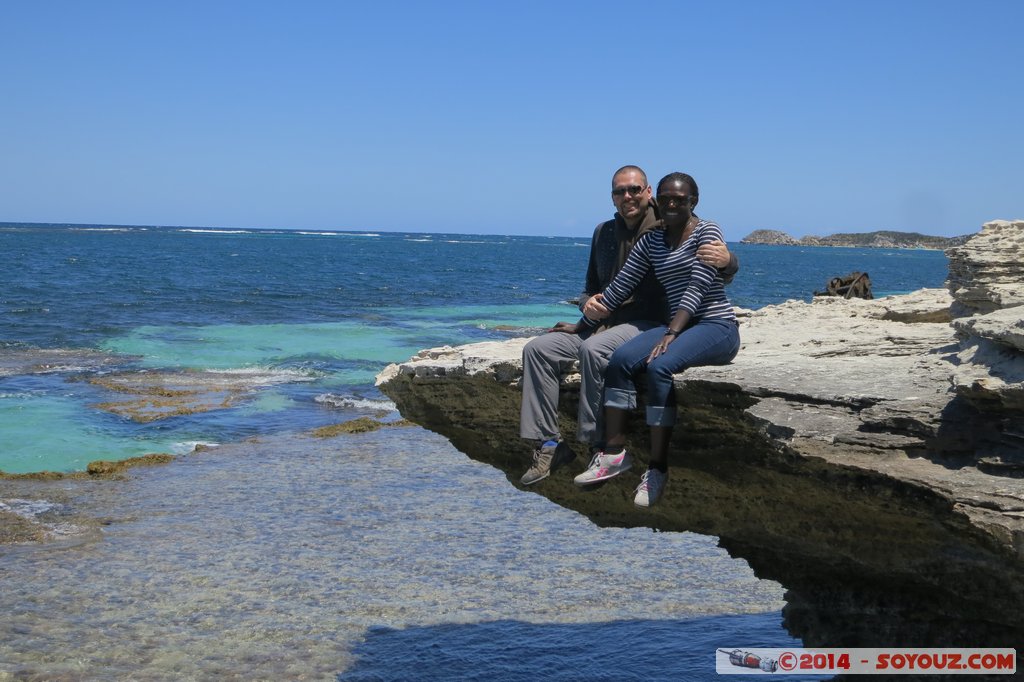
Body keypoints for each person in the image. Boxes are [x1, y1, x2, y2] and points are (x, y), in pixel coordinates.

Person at [518, 166, 738, 485]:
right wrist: (583, 314)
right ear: (612, 197)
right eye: (620, 192)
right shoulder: (607, 233)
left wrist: (730, 261)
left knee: (597, 352)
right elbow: (603, 287)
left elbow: (708, 274)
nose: (628, 197)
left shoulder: (665, 224)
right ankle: (549, 444)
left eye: (635, 190)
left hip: (647, 323)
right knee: (537, 349)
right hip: (605, 321)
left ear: (648, 193)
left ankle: (600, 447)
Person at [571, 172, 741, 507]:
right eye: (666, 199)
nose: (673, 204)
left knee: (659, 367)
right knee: (620, 359)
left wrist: (672, 332)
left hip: (715, 326)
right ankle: (615, 453)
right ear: (656, 200)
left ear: (694, 201)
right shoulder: (652, 240)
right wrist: (584, 322)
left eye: (681, 199)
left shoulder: (707, 232)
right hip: (675, 327)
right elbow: (621, 286)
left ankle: (657, 467)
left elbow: (698, 287)